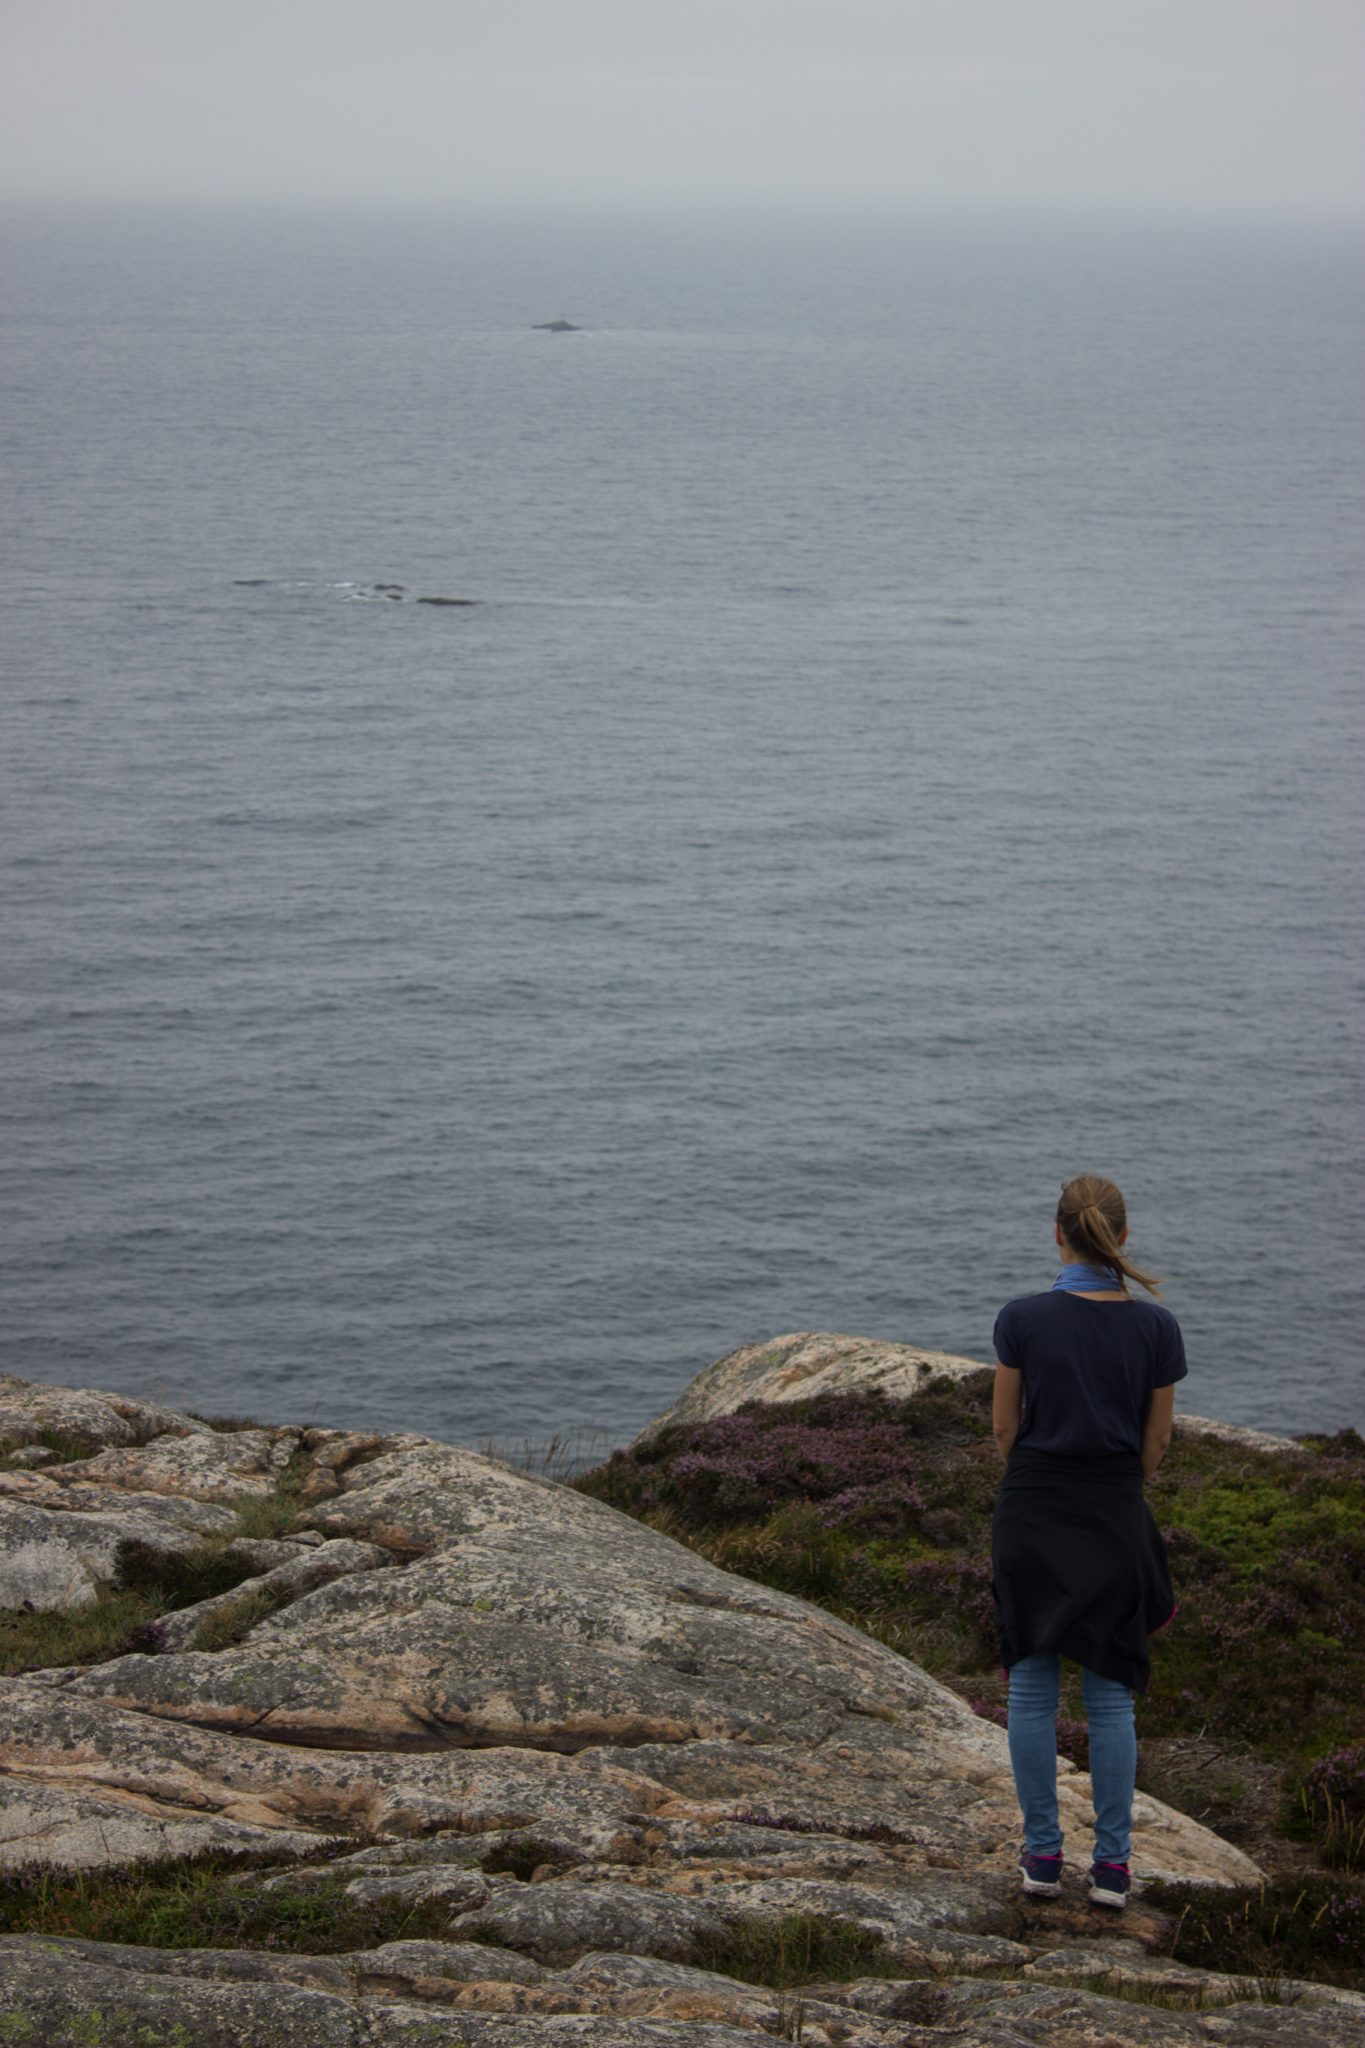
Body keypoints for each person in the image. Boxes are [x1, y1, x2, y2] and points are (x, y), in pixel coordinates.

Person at [990, 1174, 1186, 1910]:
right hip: (1112, 1508)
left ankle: (1041, 1857)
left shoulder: (1021, 1319)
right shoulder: (1155, 1328)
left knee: (1032, 1691)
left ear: (1056, 1234)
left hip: (1031, 1507)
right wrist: (1113, 1485)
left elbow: (1005, 1428)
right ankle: (1111, 1870)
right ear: (1121, 1238)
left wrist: (1041, 1479)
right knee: (1110, 1701)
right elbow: (1157, 1438)